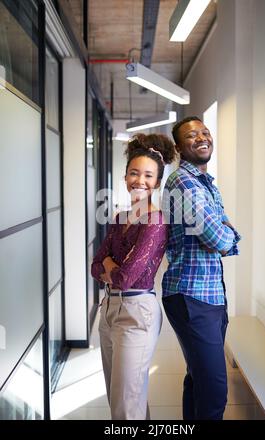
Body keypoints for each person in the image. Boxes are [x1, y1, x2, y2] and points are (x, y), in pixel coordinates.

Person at [91, 133, 176, 420]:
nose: (139, 180)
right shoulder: (119, 218)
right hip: (108, 311)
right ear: (125, 176)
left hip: (137, 313)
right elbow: (93, 267)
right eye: (134, 173)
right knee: (124, 398)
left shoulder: (156, 222)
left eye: (148, 175)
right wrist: (105, 264)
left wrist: (108, 263)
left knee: (125, 406)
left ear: (158, 182)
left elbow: (125, 278)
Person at [161, 116, 241, 420]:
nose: (201, 137)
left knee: (198, 379)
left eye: (205, 132)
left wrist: (223, 230)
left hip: (208, 295)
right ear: (180, 147)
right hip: (192, 295)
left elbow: (218, 233)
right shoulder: (183, 181)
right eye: (191, 135)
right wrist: (227, 230)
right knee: (214, 390)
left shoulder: (205, 183)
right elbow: (217, 237)